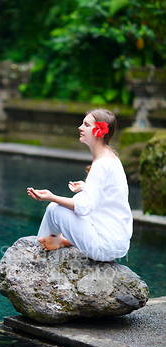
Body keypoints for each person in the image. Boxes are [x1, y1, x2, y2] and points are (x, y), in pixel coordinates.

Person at [27, 109, 133, 262]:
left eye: (86, 125)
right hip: (118, 244)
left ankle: (38, 256)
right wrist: (86, 187)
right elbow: (113, 195)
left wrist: (52, 197)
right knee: (79, 196)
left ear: (99, 132)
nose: (80, 127)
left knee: (53, 209)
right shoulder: (112, 158)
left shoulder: (101, 164)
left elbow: (83, 208)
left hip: (104, 247)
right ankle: (61, 241)